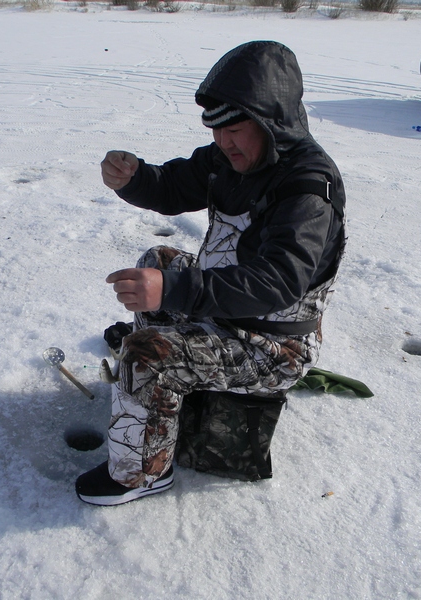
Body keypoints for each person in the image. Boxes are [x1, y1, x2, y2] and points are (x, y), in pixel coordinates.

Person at [75, 40, 347, 506]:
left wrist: (174, 291)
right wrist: (135, 178)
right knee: (158, 261)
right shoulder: (232, 159)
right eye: (216, 130)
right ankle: (157, 398)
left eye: (235, 130)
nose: (223, 142)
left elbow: (278, 282)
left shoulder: (306, 189)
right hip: (228, 312)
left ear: (271, 123)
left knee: (145, 353)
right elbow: (174, 185)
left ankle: (142, 473)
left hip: (272, 343)